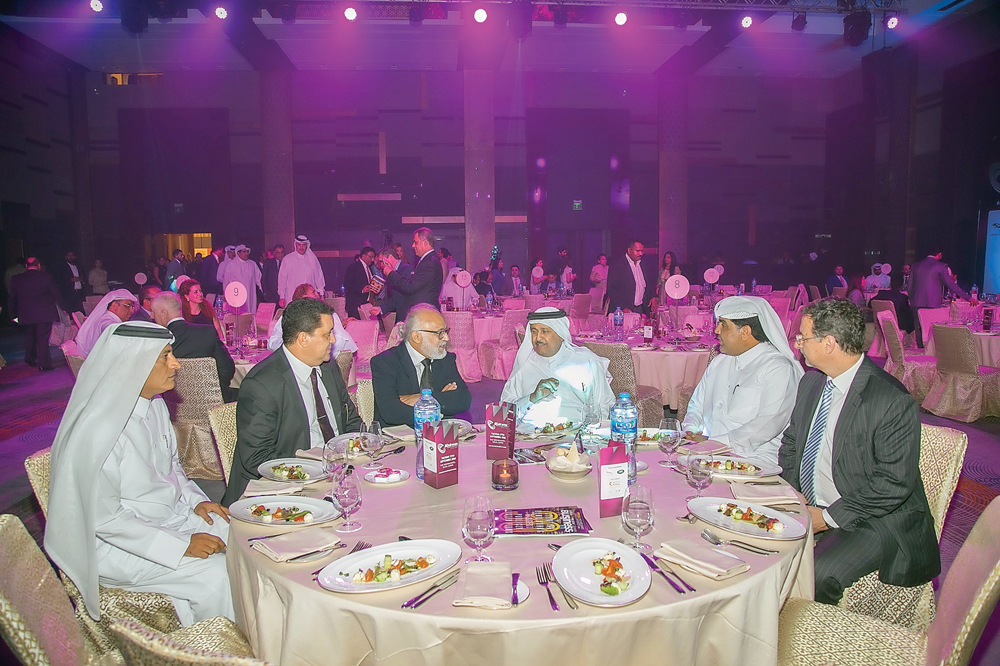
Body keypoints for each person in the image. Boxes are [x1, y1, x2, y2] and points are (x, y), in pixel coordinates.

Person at [45, 321, 234, 626]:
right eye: (165, 356)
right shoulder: (101, 430)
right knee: (215, 577)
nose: (176, 364)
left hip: (169, 519)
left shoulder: (155, 406)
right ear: (133, 363)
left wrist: (196, 501)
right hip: (119, 544)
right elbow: (104, 520)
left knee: (241, 536)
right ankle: (213, 650)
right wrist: (180, 546)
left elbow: (172, 468)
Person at [779, 298, 939, 605]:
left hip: (876, 517)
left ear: (828, 343)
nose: (798, 344)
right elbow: (791, 444)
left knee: (818, 572)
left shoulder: (889, 398)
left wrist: (826, 517)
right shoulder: (812, 383)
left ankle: (819, 643)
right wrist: (791, 494)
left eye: (803, 337)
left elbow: (894, 482)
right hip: (810, 504)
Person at [222, 299, 361, 505]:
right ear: (304, 339)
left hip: (335, 475)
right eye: (326, 334)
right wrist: (314, 464)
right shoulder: (262, 384)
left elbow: (350, 421)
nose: (333, 340)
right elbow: (256, 458)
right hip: (284, 489)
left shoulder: (328, 368)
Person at [682, 296, 802, 465]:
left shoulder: (777, 368)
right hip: (708, 455)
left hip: (755, 461)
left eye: (723, 325)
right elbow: (696, 405)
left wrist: (714, 444)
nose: (716, 331)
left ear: (745, 332)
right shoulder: (720, 362)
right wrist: (690, 430)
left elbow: (767, 424)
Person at [499, 307, 615, 431]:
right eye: (534, 331)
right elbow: (503, 413)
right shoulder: (524, 364)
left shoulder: (586, 361)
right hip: (530, 436)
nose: (538, 338)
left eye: (545, 331)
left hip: (575, 437)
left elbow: (605, 405)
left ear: (561, 334)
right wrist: (531, 398)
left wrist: (590, 433)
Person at [370, 304, 471, 427]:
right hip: (399, 438)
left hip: (439, 437)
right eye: (440, 333)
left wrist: (423, 399)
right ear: (416, 337)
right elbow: (391, 412)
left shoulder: (445, 359)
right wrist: (441, 401)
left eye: (446, 331)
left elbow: (463, 399)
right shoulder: (385, 362)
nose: (446, 338)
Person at [151, 292, 237, 402]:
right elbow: (227, 370)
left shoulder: (158, 340)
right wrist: (211, 389)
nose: (151, 316)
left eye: (153, 312)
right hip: (214, 403)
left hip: (172, 406)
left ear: (163, 313)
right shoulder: (207, 332)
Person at [267, 283, 357, 356]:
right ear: (303, 297)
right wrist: (296, 346)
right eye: (313, 292)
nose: (317, 294)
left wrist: (310, 348)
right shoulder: (288, 316)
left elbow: (339, 342)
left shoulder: (328, 314)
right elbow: (272, 344)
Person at [909, 247, 976, 347]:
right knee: (932, 329)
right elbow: (951, 285)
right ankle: (931, 351)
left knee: (919, 328)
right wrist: (968, 297)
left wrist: (912, 299)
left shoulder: (915, 266)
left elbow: (910, 286)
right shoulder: (941, 266)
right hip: (933, 303)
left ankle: (920, 350)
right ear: (939, 254)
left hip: (916, 302)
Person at [8, 257, 61, 371]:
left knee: (29, 336)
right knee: (42, 339)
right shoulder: (45, 277)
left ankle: (30, 358)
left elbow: (12, 298)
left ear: (26, 266)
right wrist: (65, 308)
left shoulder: (16, 279)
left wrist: (12, 315)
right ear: (39, 265)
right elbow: (56, 294)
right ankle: (43, 363)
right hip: (44, 313)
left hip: (25, 314)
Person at [380, 227, 443, 315]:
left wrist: (391, 273)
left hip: (425, 315)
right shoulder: (429, 260)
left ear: (425, 243)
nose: (413, 245)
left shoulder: (429, 262)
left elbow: (410, 287)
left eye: (415, 242)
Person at [76, 289, 139, 355]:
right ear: (114, 305)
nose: (131, 310)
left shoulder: (109, 319)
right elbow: (108, 326)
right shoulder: (105, 320)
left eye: (132, 307)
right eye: (128, 306)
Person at [606, 239, 657, 315]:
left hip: (641, 308)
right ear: (629, 250)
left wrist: (653, 296)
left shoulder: (644, 264)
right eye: (637, 251)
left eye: (642, 251)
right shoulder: (617, 265)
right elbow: (611, 289)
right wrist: (622, 307)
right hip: (623, 310)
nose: (640, 254)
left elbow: (649, 283)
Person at [277, 235, 325, 306]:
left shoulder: (312, 259)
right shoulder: (288, 259)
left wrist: (321, 293)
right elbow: (282, 280)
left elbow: (319, 276)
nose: (301, 247)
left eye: (304, 245)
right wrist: (282, 297)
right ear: (295, 245)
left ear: (307, 245)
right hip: (292, 298)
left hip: (309, 299)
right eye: (299, 245)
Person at [220, 245, 262, 314]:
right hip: (236, 294)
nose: (246, 253)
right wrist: (225, 294)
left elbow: (258, 278)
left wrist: (262, 291)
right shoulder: (231, 264)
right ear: (238, 253)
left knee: (250, 312)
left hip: (250, 293)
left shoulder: (252, 264)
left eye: (247, 251)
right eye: (244, 252)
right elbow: (226, 281)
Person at [344, 246, 378, 319]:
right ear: (363, 255)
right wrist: (362, 289)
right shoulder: (353, 267)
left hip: (366, 304)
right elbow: (347, 284)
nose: (372, 260)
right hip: (355, 304)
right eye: (370, 257)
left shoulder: (370, 269)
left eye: (373, 258)